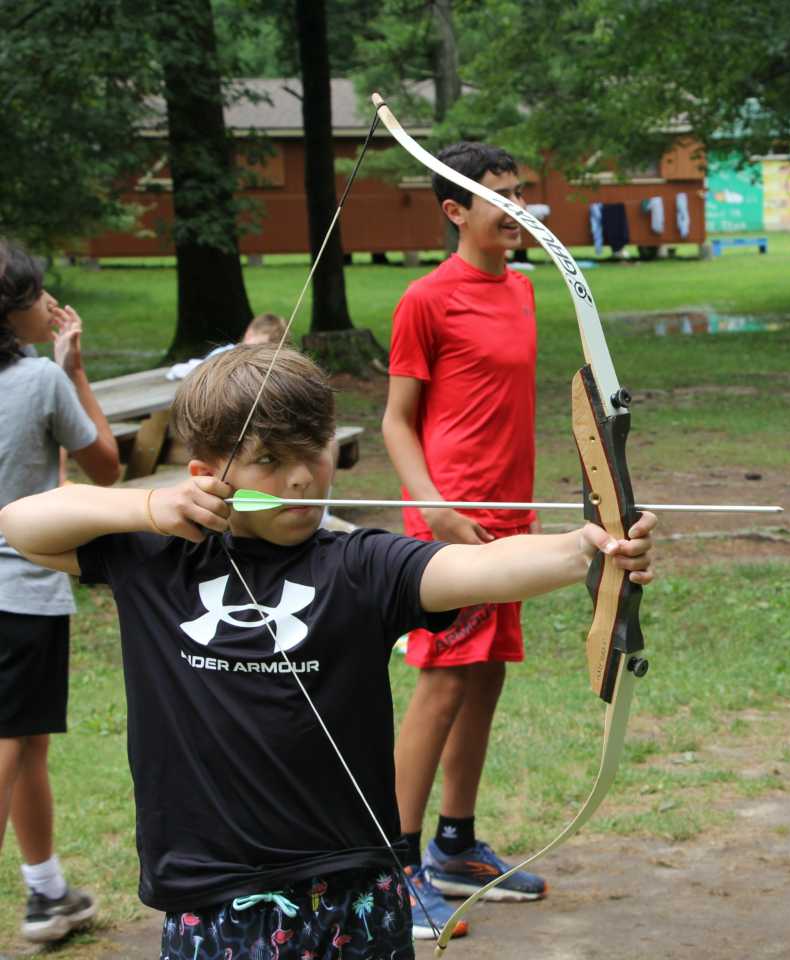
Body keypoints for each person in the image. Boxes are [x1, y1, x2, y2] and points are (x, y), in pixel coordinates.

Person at [0, 345, 656, 958]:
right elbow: (21, 524)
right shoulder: (155, 558)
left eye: (312, 450)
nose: (298, 476)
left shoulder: (359, 564)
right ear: (207, 475)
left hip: (356, 894)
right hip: (215, 900)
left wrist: (587, 550)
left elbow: (478, 568)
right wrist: (148, 506)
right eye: (268, 459)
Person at [382, 141, 551, 916]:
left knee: (488, 672)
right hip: (449, 519)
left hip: (509, 515)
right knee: (444, 679)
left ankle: (454, 845)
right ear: (455, 211)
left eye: (520, 193)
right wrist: (436, 507)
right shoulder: (426, 299)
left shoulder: (522, 291)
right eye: (500, 197)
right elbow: (396, 422)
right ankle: (394, 869)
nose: (518, 208)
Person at [0, 239, 119, 943]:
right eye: (36, 294)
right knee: (12, 746)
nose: (49, 303)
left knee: (29, 746)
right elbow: (105, 467)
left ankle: (48, 894)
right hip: (21, 591)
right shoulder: (42, 382)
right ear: (15, 313)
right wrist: (73, 372)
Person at [165, 311, 284, 380]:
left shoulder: (270, 371)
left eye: (266, 351)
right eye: (258, 346)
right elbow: (198, 373)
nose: (257, 353)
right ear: (249, 334)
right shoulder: (223, 355)